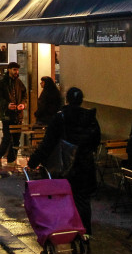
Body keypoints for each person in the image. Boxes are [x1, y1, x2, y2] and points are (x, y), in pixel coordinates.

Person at [28, 87, 101, 235]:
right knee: (83, 201)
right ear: (81, 100)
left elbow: (47, 143)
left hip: (65, 166)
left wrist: (33, 161)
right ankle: (85, 233)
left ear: (67, 100)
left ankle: (67, 230)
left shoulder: (60, 118)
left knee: (63, 199)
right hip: (85, 166)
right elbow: (96, 140)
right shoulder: (90, 118)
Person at [0, 62, 27, 165]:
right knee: (7, 137)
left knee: (16, 139)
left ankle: (12, 160)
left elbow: (24, 95)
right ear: (9, 70)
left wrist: (23, 104)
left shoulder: (19, 83)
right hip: (7, 115)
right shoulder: (2, 83)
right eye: (14, 70)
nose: (16, 72)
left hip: (18, 115)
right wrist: (7, 105)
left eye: (17, 70)